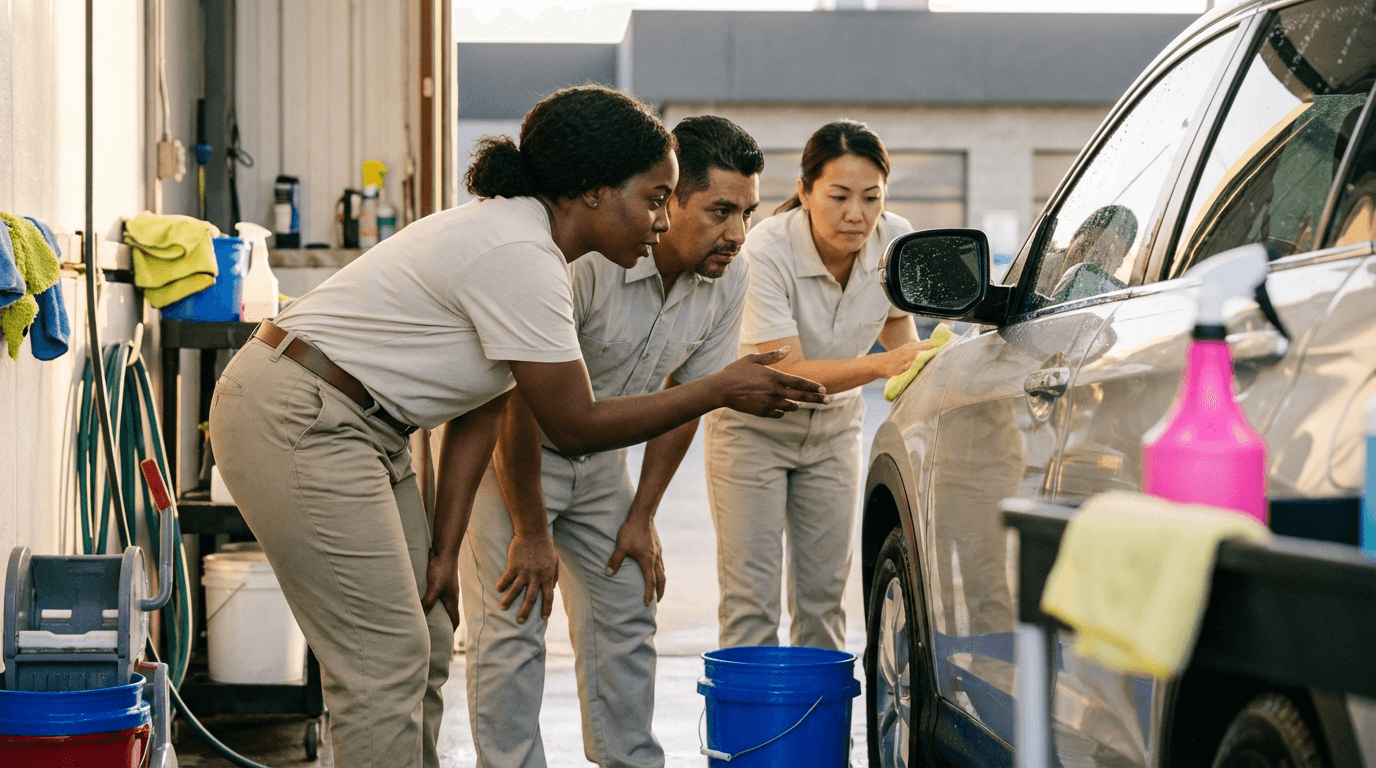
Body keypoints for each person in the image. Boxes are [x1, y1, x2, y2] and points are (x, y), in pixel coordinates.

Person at [208, 86, 826, 768]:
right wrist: (720, 389)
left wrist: (445, 548)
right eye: (655, 199)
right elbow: (574, 421)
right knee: (385, 661)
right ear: (594, 192)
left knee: (429, 633)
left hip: (367, 430)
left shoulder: (535, 248)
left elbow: (481, 402)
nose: (659, 221)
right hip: (302, 414)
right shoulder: (522, 255)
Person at [458, 115, 763, 768]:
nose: (738, 234)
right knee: (514, 625)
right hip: (511, 457)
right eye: (720, 211)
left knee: (627, 613)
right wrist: (529, 530)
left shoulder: (730, 276)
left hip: (600, 465)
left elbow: (688, 397)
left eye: (747, 213)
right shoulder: (588, 260)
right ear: (669, 199)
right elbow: (513, 400)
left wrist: (642, 516)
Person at [703, 119, 929, 651]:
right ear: (804, 192)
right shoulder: (766, 249)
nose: (857, 214)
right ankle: (750, 712)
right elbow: (787, 373)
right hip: (753, 432)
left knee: (824, 600)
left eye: (872, 197)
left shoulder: (895, 239)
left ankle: (820, 710)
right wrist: (884, 366)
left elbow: (898, 324)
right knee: (750, 601)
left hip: (834, 433)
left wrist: (916, 362)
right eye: (839, 196)